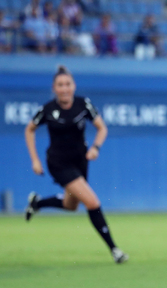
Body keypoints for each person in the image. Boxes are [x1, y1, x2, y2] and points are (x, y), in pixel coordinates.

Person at [24, 65, 128, 264]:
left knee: (71, 205)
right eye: (60, 85)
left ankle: (37, 203)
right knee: (93, 202)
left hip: (81, 161)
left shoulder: (83, 105)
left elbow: (101, 128)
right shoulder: (47, 109)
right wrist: (35, 159)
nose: (64, 88)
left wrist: (96, 147)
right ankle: (115, 250)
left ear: (73, 86)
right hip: (58, 163)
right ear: (54, 88)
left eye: (68, 84)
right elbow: (29, 130)